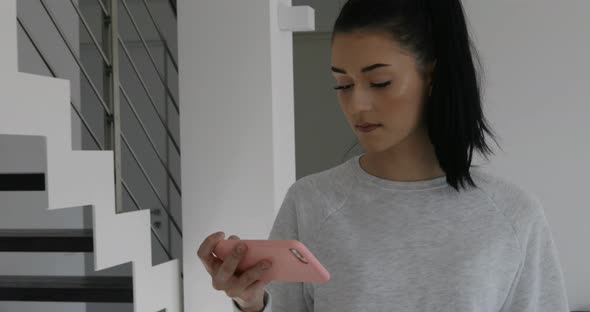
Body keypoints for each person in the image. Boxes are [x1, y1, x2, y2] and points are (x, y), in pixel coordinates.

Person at [197, 0, 571, 311]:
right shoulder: (311, 202)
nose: (357, 104)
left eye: (380, 82)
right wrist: (250, 302)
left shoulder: (512, 215)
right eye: (342, 84)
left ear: (432, 77)